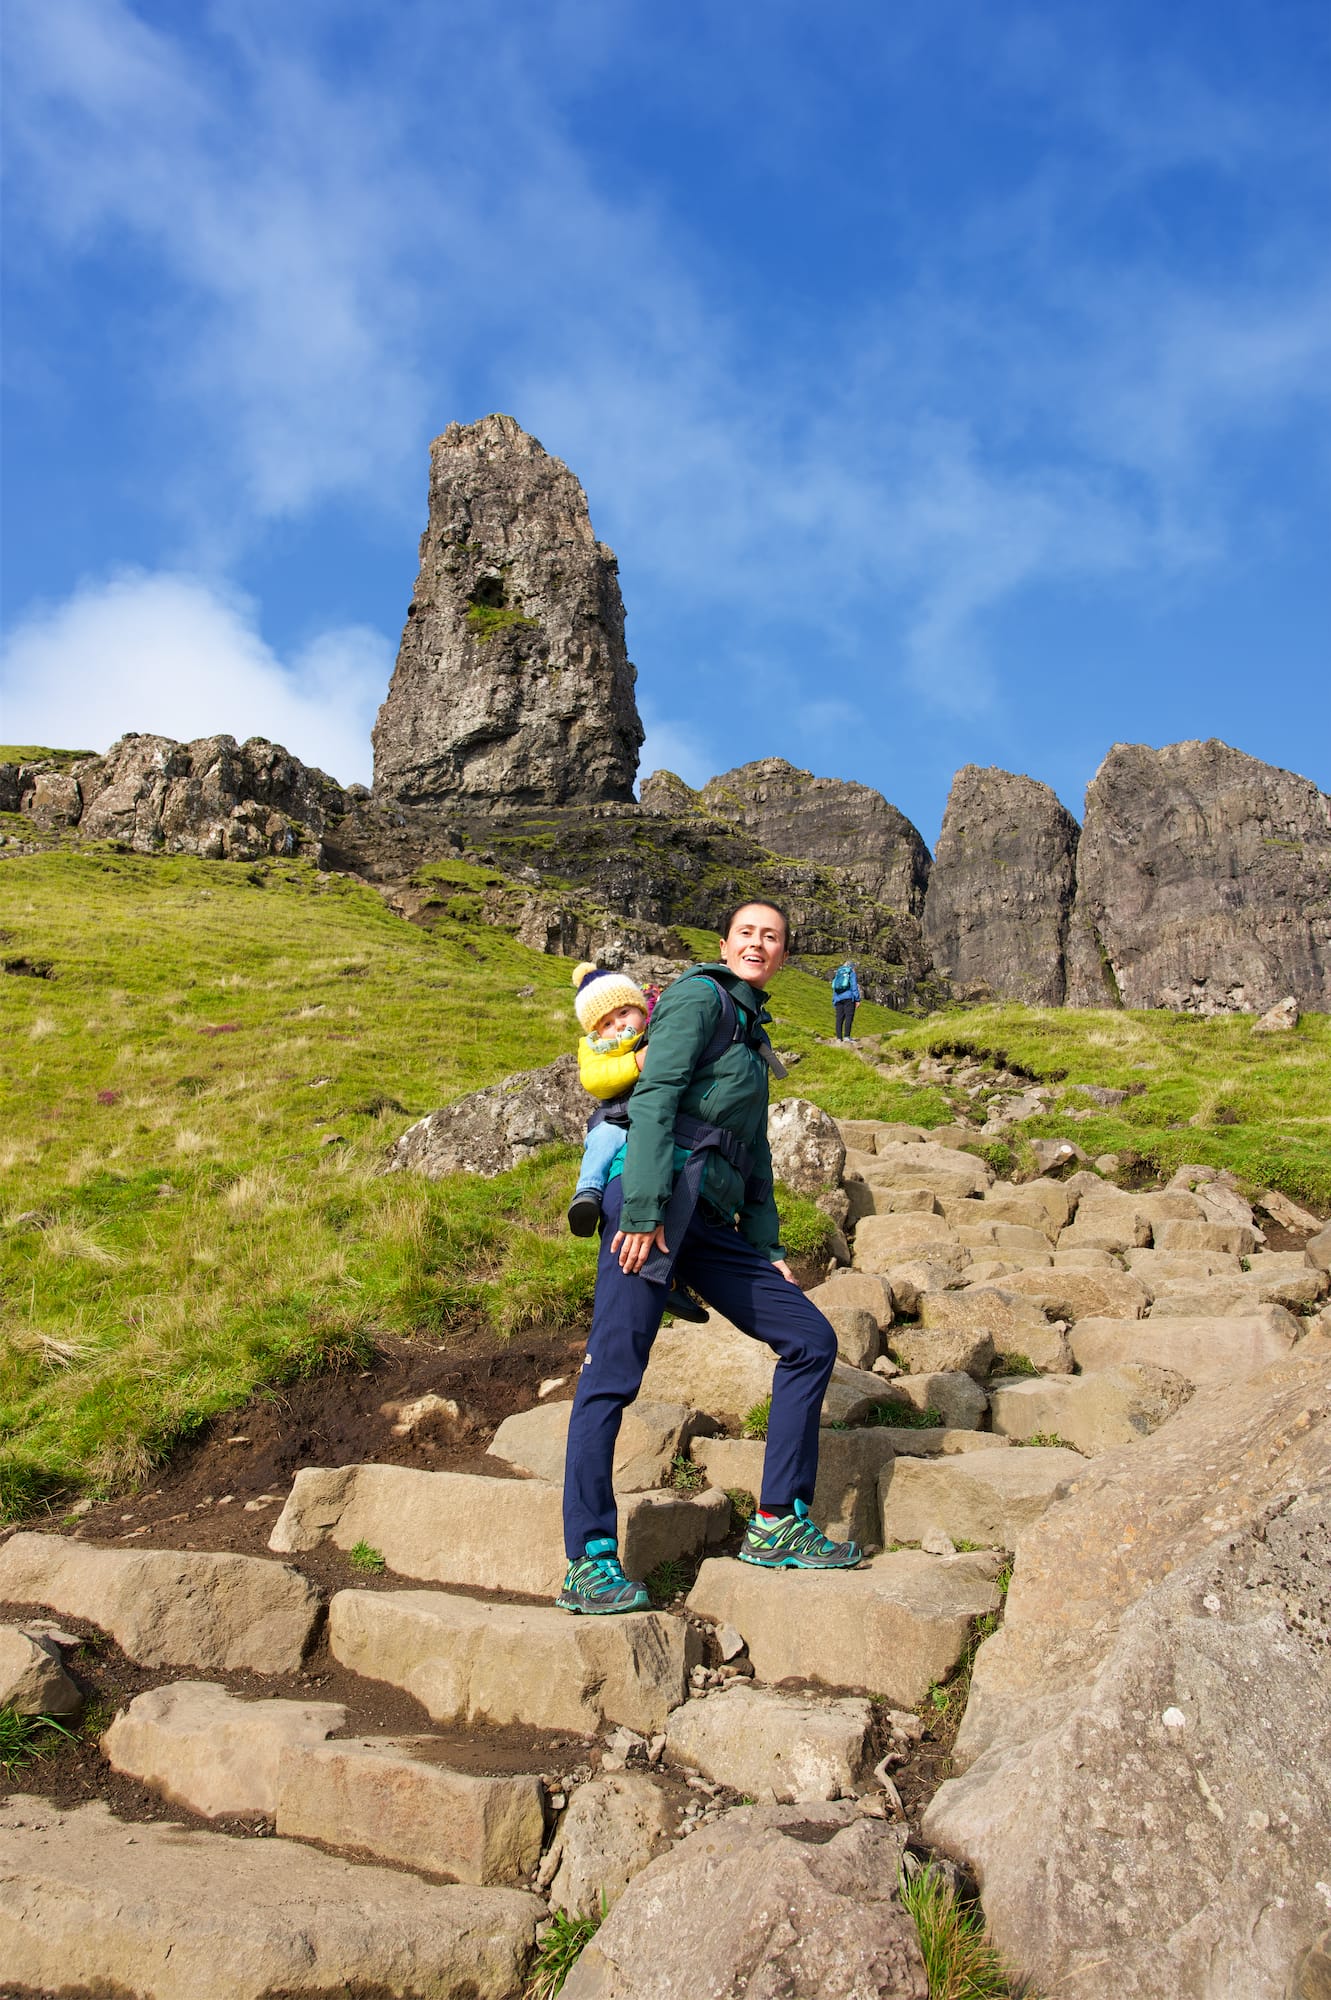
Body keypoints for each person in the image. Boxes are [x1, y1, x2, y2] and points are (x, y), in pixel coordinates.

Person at [557, 902, 861, 1615]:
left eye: (774, 937)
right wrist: (639, 1208)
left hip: (711, 1220)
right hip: (655, 1200)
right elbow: (656, 1096)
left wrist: (768, 1249)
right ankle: (588, 1559)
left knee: (810, 1338)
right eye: (748, 932)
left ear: (784, 955)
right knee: (613, 1372)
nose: (760, 943)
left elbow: (752, 1152)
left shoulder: (752, 1038)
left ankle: (776, 1519)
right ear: (724, 944)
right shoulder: (698, 997)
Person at [565, 962, 706, 1324]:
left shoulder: (656, 1032)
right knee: (602, 1143)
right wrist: (636, 1062)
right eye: (606, 1023)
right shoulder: (595, 1048)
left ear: (641, 1009)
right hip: (617, 1120)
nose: (618, 1026)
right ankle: (587, 1195)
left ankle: (673, 1280)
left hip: (656, 1127)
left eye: (624, 1013)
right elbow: (596, 1081)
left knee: (673, 1198)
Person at [831, 959, 860, 1041]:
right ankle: (847, 1036)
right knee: (849, 1017)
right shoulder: (851, 972)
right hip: (848, 998)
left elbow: (835, 988)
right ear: (852, 966)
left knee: (839, 1018)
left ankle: (839, 1038)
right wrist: (857, 999)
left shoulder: (838, 973)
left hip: (838, 999)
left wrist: (834, 1000)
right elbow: (854, 986)